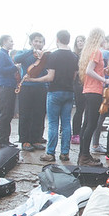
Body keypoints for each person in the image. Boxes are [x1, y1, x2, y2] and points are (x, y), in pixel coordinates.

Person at [27, 30, 77, 162]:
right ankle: (65, 153)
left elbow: (50, 77)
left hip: (55, 92)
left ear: (57, 39)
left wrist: (33, 80)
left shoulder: (53, 56)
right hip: (69, 92)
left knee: (53, 123)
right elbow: (74, 76)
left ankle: (50, 153)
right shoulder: (74, 56)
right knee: (66, 123)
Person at [77, 29, 109, 166]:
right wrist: (105, 80)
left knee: (86, 124)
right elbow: (89, 71)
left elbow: (90, 70)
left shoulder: (90, 52)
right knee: (91, 124)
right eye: (103, 37)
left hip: (88, 90)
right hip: (94, 91)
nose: (104, 40)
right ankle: (85, 157)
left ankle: (83, 154)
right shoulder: (97, 52)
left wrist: (103, 72)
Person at [15, 32, 47, 151]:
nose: (38, 43)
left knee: (39, 114)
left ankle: (36, 139)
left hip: (40, 86)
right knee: (25, 114)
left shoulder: (44, 56)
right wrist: (31, 50)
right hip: (26, 86)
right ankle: (25, 140)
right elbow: (16, 59)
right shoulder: (24, 53)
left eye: (40, 41)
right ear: (31, 42)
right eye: (36, 41)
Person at [0, 35, 18, 149]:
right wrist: (15, 67)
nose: (12, 43)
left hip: (9, 87)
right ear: (4, 42)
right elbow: (0, 70)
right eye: (11, 41)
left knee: (8, 115)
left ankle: (5, 140)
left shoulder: (6, 55)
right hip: (4, 87)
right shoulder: (1, 54)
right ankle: (0, 141)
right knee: (4, 115)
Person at [70, 35, 86, 146]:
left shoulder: (87, 55)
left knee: (87, 110)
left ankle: (82, 132)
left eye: (81, 41)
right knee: (79, 109)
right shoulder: (74, 55)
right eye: (78, 41)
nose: (80, 43)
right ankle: (76, 134)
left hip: (87, 84)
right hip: (78, 84)